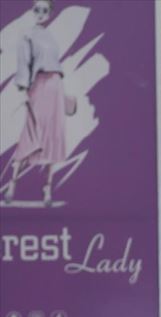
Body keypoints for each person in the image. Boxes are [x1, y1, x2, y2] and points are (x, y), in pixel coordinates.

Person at [4, 0, 67, 205]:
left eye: (44, 10)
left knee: (52, 135)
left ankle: (47, 189)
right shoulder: (27, 35)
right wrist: (23, 89)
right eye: (37, 9)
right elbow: (24, 64)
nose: (40, 13)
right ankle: (12, 186)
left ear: (50, 12)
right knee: (31, 133)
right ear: (32, 12)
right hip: (38, 85)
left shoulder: (51, 36)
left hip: (55, 85)